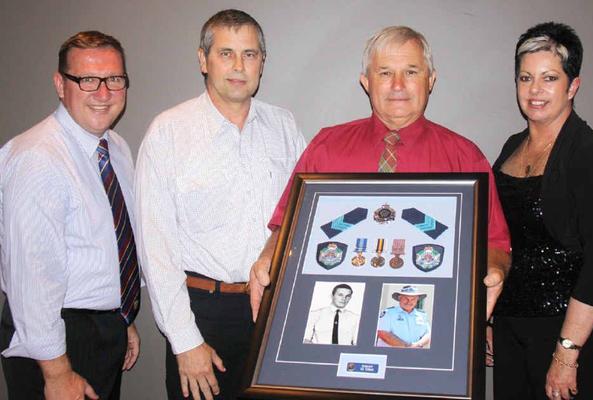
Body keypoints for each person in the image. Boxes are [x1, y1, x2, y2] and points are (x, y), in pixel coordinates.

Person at [250, 26, 511, 321]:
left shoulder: (465, 158)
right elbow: (286, 227)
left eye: (411, 72)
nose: (398, 85)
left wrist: (495, 269)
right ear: (366, 82)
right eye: (385, 73)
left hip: (429, 318)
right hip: (336, 312)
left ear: (431, 80)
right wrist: (268, 257)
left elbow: (496, 243)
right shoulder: (325, 147)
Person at [135, 9, 305, 400]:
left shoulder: (285, 127)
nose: (239, 65)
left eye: (250, 54)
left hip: (275, 311)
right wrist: (185, 341)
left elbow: (301, 217)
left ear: (263, 62)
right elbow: (155, 248)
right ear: (203, 59)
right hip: (202, 315)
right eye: (226, 53)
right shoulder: (169, 133)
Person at [0, 31, 141, 400]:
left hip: (101, 328)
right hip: (55, 339)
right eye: (88, 80)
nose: (104, 92)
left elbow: (108, 246)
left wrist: (121, 320)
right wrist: (58, 372)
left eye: (114, 79)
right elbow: (31, 280)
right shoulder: (37, 157)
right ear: (60, 84)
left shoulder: (117, 148)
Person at [491, 22, 593, 400]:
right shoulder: (511, 146)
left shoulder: (592, 154)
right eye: (525, 77)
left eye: (549, 77)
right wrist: (489, 316)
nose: (535, 90)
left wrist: (567, 353)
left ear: (573, 85)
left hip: (570, 332)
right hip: (512, 326)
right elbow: (501, 238)